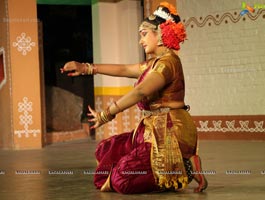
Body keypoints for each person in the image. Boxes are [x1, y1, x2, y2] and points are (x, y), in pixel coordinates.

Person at [61, 2, 207, 194]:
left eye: (144, 34)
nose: (141, 40)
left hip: (170, 132)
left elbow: (141, 92)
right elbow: (123, 69)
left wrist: (106, 114)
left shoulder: (169, 63)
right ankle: (172, 166)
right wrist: (85, 68)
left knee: (122, 179)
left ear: (161, 34)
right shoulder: (152, 64)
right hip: (150, 129)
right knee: (107, 149)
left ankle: (182, 167)